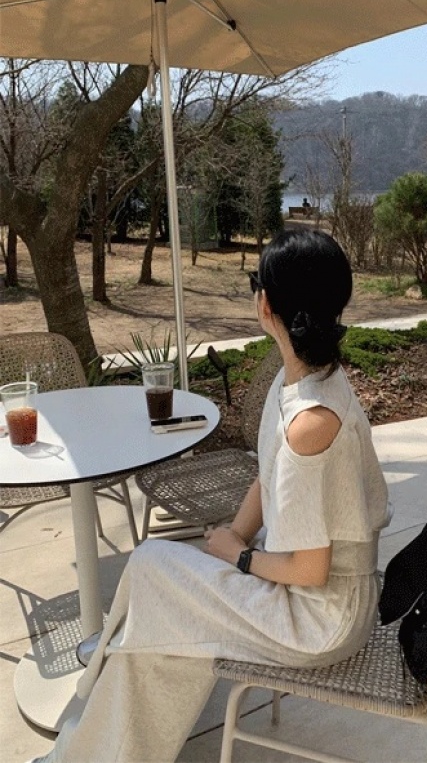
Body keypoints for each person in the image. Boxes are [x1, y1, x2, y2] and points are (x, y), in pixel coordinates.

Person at [35, 229, 391, 763]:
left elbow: (311, 569)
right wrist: (235, 534)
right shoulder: (306, 380)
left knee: (153, 569)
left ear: (265, 305)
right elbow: (267, 478)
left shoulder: (310, 425)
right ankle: (114, 662)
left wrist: (237, 555)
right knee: (158, 606)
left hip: (319, 620)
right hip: (311, 598)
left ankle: (110, 655)